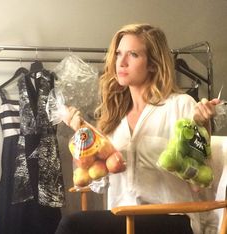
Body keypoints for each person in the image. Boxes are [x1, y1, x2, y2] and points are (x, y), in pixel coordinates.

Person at [56, 23, 220, 234]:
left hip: (173, 220)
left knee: (72, 226)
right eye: (118, 54)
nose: (121, 62)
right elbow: (97, 181)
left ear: (153, 64)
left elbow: (200, 182)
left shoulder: (181, 105)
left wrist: (201, 126)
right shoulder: (114, 117)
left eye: (133, 54)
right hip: (124, 220)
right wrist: (83, 136)